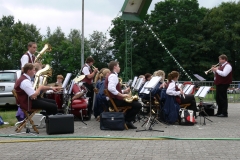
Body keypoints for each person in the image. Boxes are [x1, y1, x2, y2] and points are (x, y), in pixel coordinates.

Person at [105, 61, 142, 129]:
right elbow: (111, 88)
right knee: (138, 105)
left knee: (133, 103)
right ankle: (127, 121)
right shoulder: (113, 76)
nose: (120, 67)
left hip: (114, 100)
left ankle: (127, 120)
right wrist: (122, 95)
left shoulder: (111, 75)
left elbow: (113, 90)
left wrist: (123, 91)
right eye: (118, 66)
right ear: (115, 67)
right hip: (116, 101)